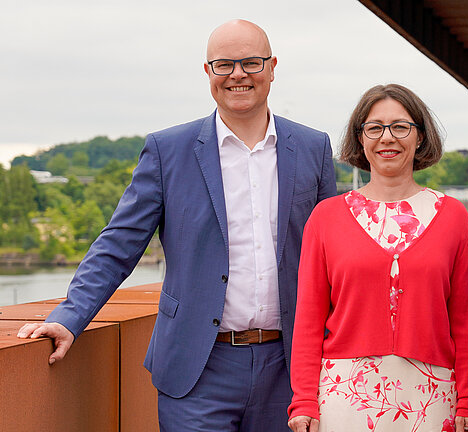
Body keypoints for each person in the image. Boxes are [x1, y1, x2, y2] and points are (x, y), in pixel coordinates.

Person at [17, 19, 336, 431]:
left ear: (273, 66)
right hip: (197, 369)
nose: (238, 74)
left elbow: (335, 256)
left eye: (251, 63)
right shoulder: (168, 151)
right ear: (207, 73)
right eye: (224, 64)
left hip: (290, 369)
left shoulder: (313, 147)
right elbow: (119, 244)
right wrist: (69, 316)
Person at [287, 84, 468, 432]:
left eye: (400, 126)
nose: (387, 138)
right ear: (360, 138)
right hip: (344, 396)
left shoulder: (454, 218)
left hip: (432, 397)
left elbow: (465, 322)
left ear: (420, 136)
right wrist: (303, 401)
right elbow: (309, 320)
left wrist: (466, 401)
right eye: (374, 128)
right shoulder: (325, 218)